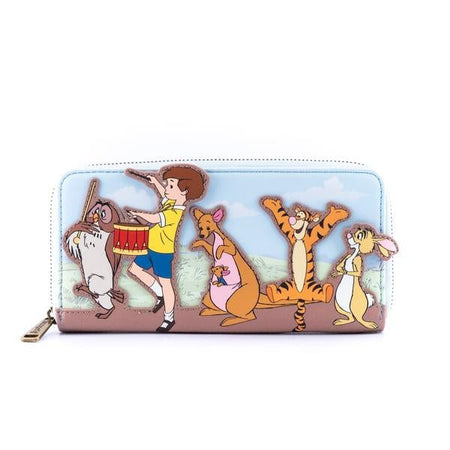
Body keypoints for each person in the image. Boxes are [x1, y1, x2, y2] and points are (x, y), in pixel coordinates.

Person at [127, 165, 207, 332]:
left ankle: (169, 317)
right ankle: (159, 294)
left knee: (166, 283)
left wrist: (137, 214)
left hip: (162, 252)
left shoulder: (175, 213)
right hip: (150, 246)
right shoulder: (171, 201)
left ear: (184, 192)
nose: (166, 188)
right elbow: (164, 194)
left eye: (171, 185)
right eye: (167, 184)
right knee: (134, 269)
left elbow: (155, 218)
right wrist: (156, 182)